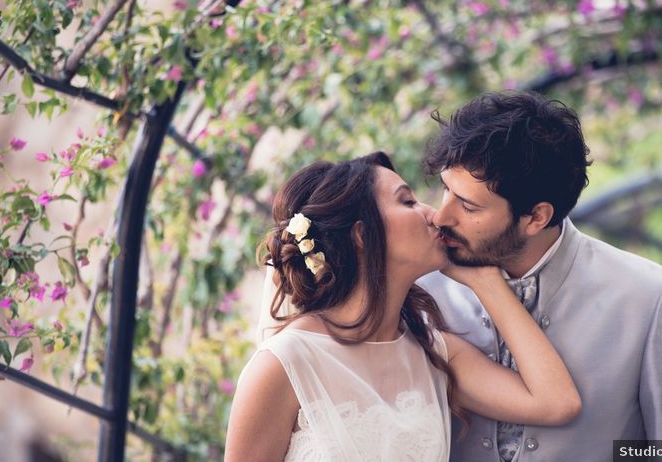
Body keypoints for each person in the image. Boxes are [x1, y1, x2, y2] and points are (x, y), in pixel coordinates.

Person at [225, 152, 581, 462]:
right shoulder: (284, 364)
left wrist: (486, 282)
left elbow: (555, 402)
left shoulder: (433, 351)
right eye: (408, 201)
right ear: (362, 235)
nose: (435, 215)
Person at [418, 91, 662, 461]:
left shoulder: (650, 299)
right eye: (446, 189)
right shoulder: (419, 285)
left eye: (469, 205)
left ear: (536, 217)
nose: (442, 217)